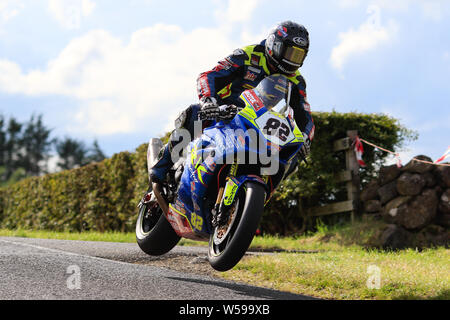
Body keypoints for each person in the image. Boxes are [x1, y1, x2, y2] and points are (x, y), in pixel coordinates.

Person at [149, 20, 315, 184]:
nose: (292, 60)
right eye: (289, 52)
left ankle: (260, 190)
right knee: (194, 113)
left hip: (258, 126)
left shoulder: (297, 80)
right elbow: (208, 76)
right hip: (223, 112)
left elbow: (305, 115)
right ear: (274, 45)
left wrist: (306, 138)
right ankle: (161, 167)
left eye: (298, 55)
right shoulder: (248, 55)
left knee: (291, 157)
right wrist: (209, 101)